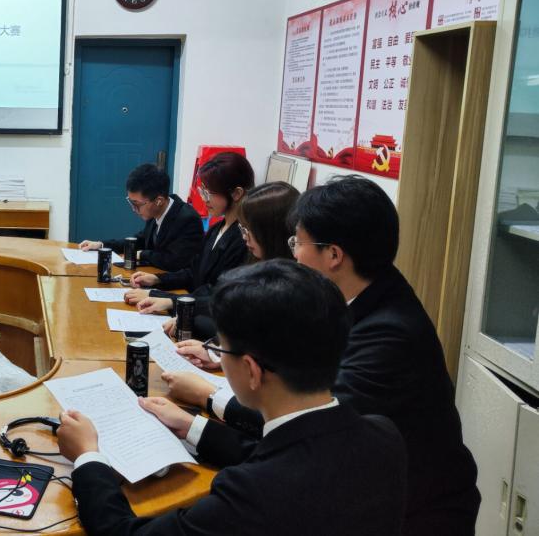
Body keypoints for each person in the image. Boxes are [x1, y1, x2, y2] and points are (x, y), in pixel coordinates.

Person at [161, 175, 480, 535]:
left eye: (297, 242)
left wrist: (207, 402)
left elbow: (308, 434)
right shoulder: (362, 293)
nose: (293, 254)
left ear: (334, 255)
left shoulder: (390, 335)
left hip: (416, 514)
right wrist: (227, 359)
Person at [57, 260, 408, 535]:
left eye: (220, 348)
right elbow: (291, 456)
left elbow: (124, 532)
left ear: (252, 371)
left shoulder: (251, 496)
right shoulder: (384, 436)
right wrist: (192, 426)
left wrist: (88, 456)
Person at [123, 152, 254, 336]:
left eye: (209, 193)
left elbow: (219, 295)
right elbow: (193, 272)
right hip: (195, 309)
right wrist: (158, 280)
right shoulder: (216, 229)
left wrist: (168, 300)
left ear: (236, 193)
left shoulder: (244, 239)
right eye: (202, 191)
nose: (204, 199)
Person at [158, 180, 300, 339]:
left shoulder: (286, 283)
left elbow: (246, 331)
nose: (244, 237)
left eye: (249, 229)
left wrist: (189, 317)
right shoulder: (254, 260)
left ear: (271, 233)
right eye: (242, 228)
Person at [79, 163, 202, 272]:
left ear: (158, 201)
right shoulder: (156, 211)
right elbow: (139, 241)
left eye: (137, 204)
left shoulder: (188, 220)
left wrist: (142, 254)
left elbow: (175, 261)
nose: (134, 209)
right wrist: (101, 245)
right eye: (131, 202)